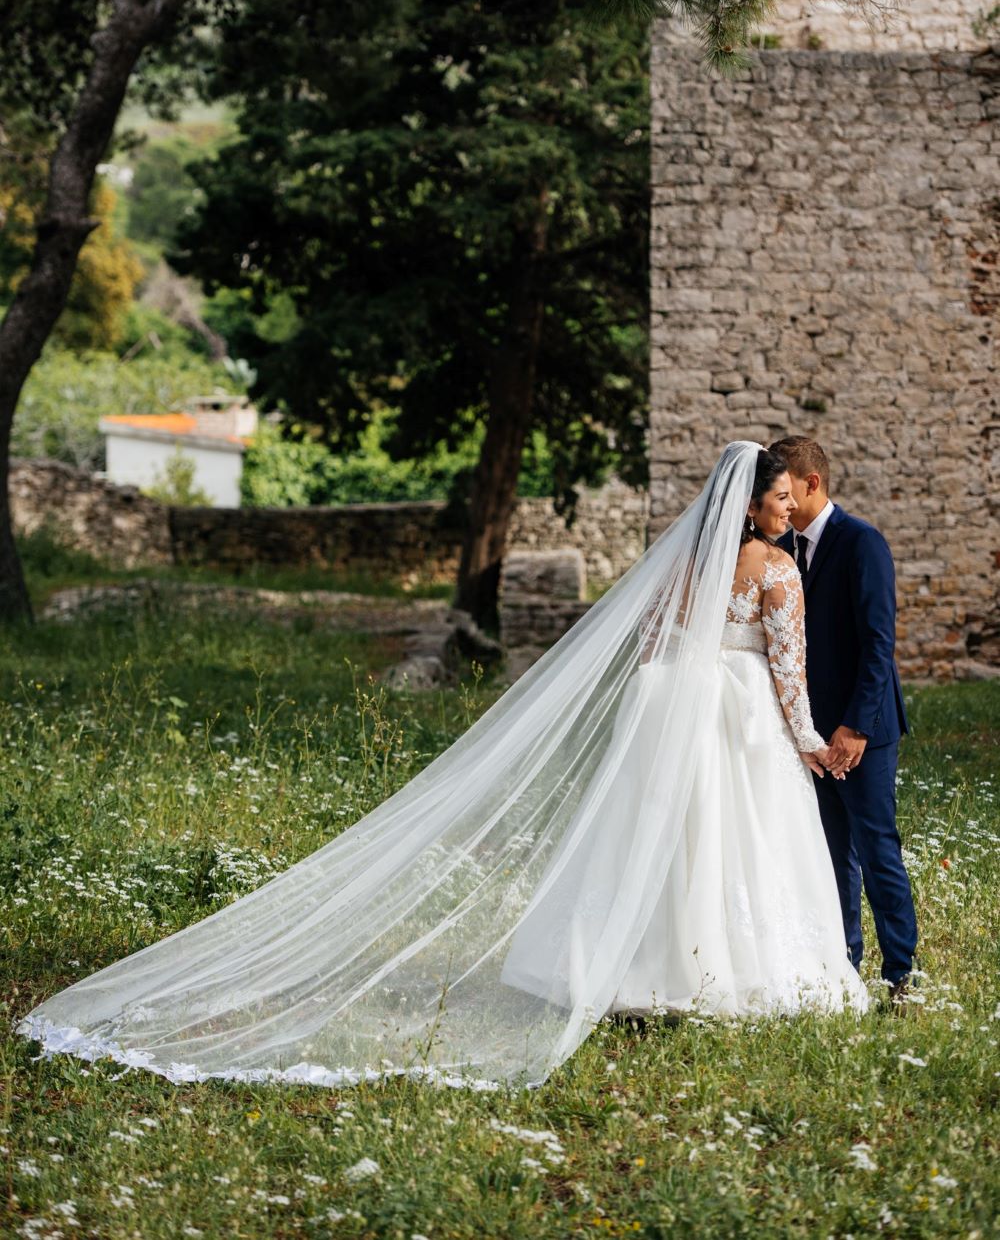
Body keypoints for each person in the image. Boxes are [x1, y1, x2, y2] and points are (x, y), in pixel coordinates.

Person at [17, 443, 864, 1093]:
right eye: (780, 498)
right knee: (738, 842)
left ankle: (633, 969)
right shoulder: (779, 571)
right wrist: (808, 745)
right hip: (743, 714)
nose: (788, 511)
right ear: (751, 504)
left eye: (792, 499)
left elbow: (652, 643)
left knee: (663, 839)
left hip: (672, 707)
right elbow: (787, 676)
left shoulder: (683, 565)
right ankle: (730, 973)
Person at [770, 436, 917, 1008]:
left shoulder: (862, 543)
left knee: (877, 848)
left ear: (811, 483)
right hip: (810, 734)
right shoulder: (781, 552)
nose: (780, 503)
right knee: (831, 853)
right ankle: (844, 965)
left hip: (863, 733)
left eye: (786, 490)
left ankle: (902, 972)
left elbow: (879, 645)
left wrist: (854, 728)